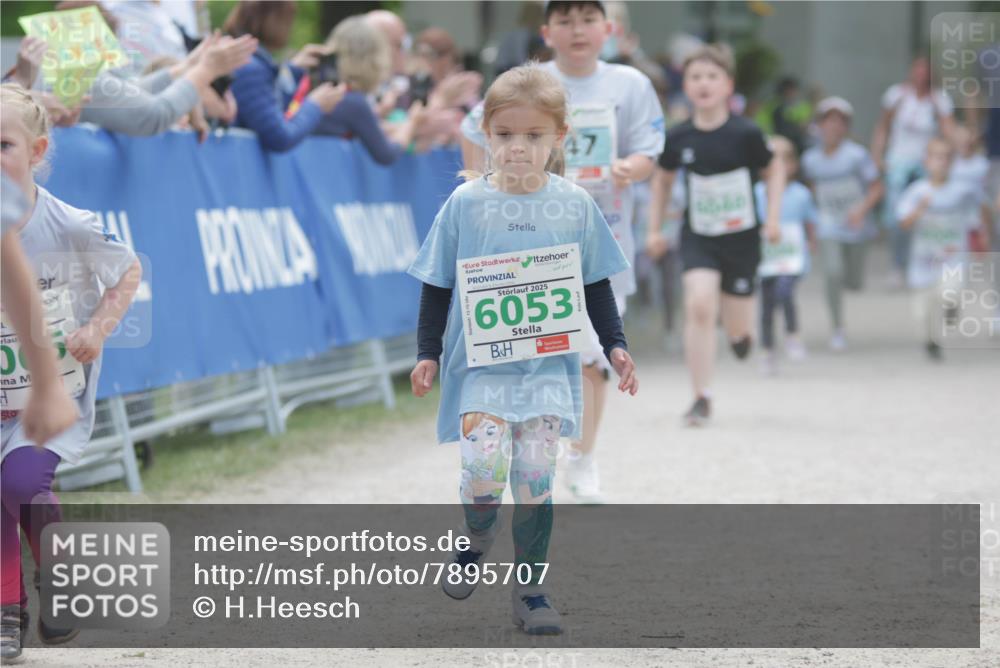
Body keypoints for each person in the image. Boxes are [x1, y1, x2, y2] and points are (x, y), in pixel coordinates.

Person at [408, 64, 638, 635]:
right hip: (481, 370)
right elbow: (437, 284)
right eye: (505, 134)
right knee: (483, 474)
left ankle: (531, 592)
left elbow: (595, 284)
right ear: (486, 133)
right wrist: (428, 351)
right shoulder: (466, 203)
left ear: (559, 137)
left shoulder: (574, 205)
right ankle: (477, 534)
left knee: (535, 480)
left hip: (546, 372)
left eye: (533, 136)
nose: (517, 147)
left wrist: (615, 345)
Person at [461, 0, 664, 503]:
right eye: (566, 21)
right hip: (527, 246)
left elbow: (649, 151)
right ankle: (510, 463)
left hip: (601, 240)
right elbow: (473, 129)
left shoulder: (630, 85)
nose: (578, 31)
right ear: (547, 31)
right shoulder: (526, 82)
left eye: (588, 20)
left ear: (608, 29)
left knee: (592, 357)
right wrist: (480, 189)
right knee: (525, 357)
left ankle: (583, 456)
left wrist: (631, 169)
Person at [0, 84, 141, 661]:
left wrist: (96, 329)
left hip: (52, 390)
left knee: (19, 485)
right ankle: (8, 609)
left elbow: (128, 271)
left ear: (36, 151)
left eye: (2, 145)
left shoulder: (69, 223)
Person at [646, 44, 786, 426]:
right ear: (686, 85)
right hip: (699, 235)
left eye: (712, 76)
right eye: (695, 77)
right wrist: (655, 230)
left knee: (737, 324)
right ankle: (700, 396)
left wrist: (773, 218)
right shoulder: (679, 137)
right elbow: (662, 181)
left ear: (728, 85)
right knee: (699, 304)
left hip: (742, 238)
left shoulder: (746, 133)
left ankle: (741, 336)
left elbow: (774, 170)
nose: (703, 84)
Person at [1, 173, 79, 449]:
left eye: (5, 150)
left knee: (22, 474)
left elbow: (11, 274)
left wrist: (46, 385)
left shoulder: (67, 219)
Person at [801, 97, 884, 351]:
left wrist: (860, 210)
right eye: (827, 121)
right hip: (828, 224)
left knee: (853, 281)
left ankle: (850, 282)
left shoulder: (857, 156)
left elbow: (876, 187)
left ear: (846, 126)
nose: (832, 127)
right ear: (819, 125)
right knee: (832, 272)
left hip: (857, 226)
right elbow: (810, 189)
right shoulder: (810, 159)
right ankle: (837, 327)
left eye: (839, 121)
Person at [896, 137, 987, 360]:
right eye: (937, 157)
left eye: (946, 157)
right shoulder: (917, 192)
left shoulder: (962, 190)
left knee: (950, 291)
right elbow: (903, 223)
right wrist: (919, 209)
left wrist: (982, 236)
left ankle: (951, 307)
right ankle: (930, 342)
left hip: (952, 257)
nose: (942, 162)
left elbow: (980, 209)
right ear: (926, 161)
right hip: (923, 261)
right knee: (922, 313)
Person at [871, 57, 955, 288]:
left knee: (926, 214)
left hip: (926, 164)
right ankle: (897, 264)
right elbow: (883, 127)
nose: (920, 76)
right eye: (917, 70)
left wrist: (953, 157)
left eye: (925, 72)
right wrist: (877, 156)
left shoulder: (939, 99)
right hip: (898, 162)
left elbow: (948, 130)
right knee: (897, 215)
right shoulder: (896, 95)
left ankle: (923, 262)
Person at [225, 0, 345, 152]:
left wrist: (293, 70)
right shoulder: (251, 68)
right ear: (273, 19)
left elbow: (267, 109)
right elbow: (279, 137)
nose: (290, 27)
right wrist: (315, 105)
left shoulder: (246, 61)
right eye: (289, 18)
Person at [312, 16, 423, 165]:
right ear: (373, 59)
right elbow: (387, 155)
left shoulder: (329, 90)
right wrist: (412, 122)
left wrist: (379, 112)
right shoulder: (352, 100)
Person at [755, 136, 817, 375]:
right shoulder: (757, 192)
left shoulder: (801, 194)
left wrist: (812, 241)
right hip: (766, 258)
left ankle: (792, 333)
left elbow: (810, 221)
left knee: (784, 290)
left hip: (792, 256)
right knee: (766, 305)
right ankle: (767, 349)